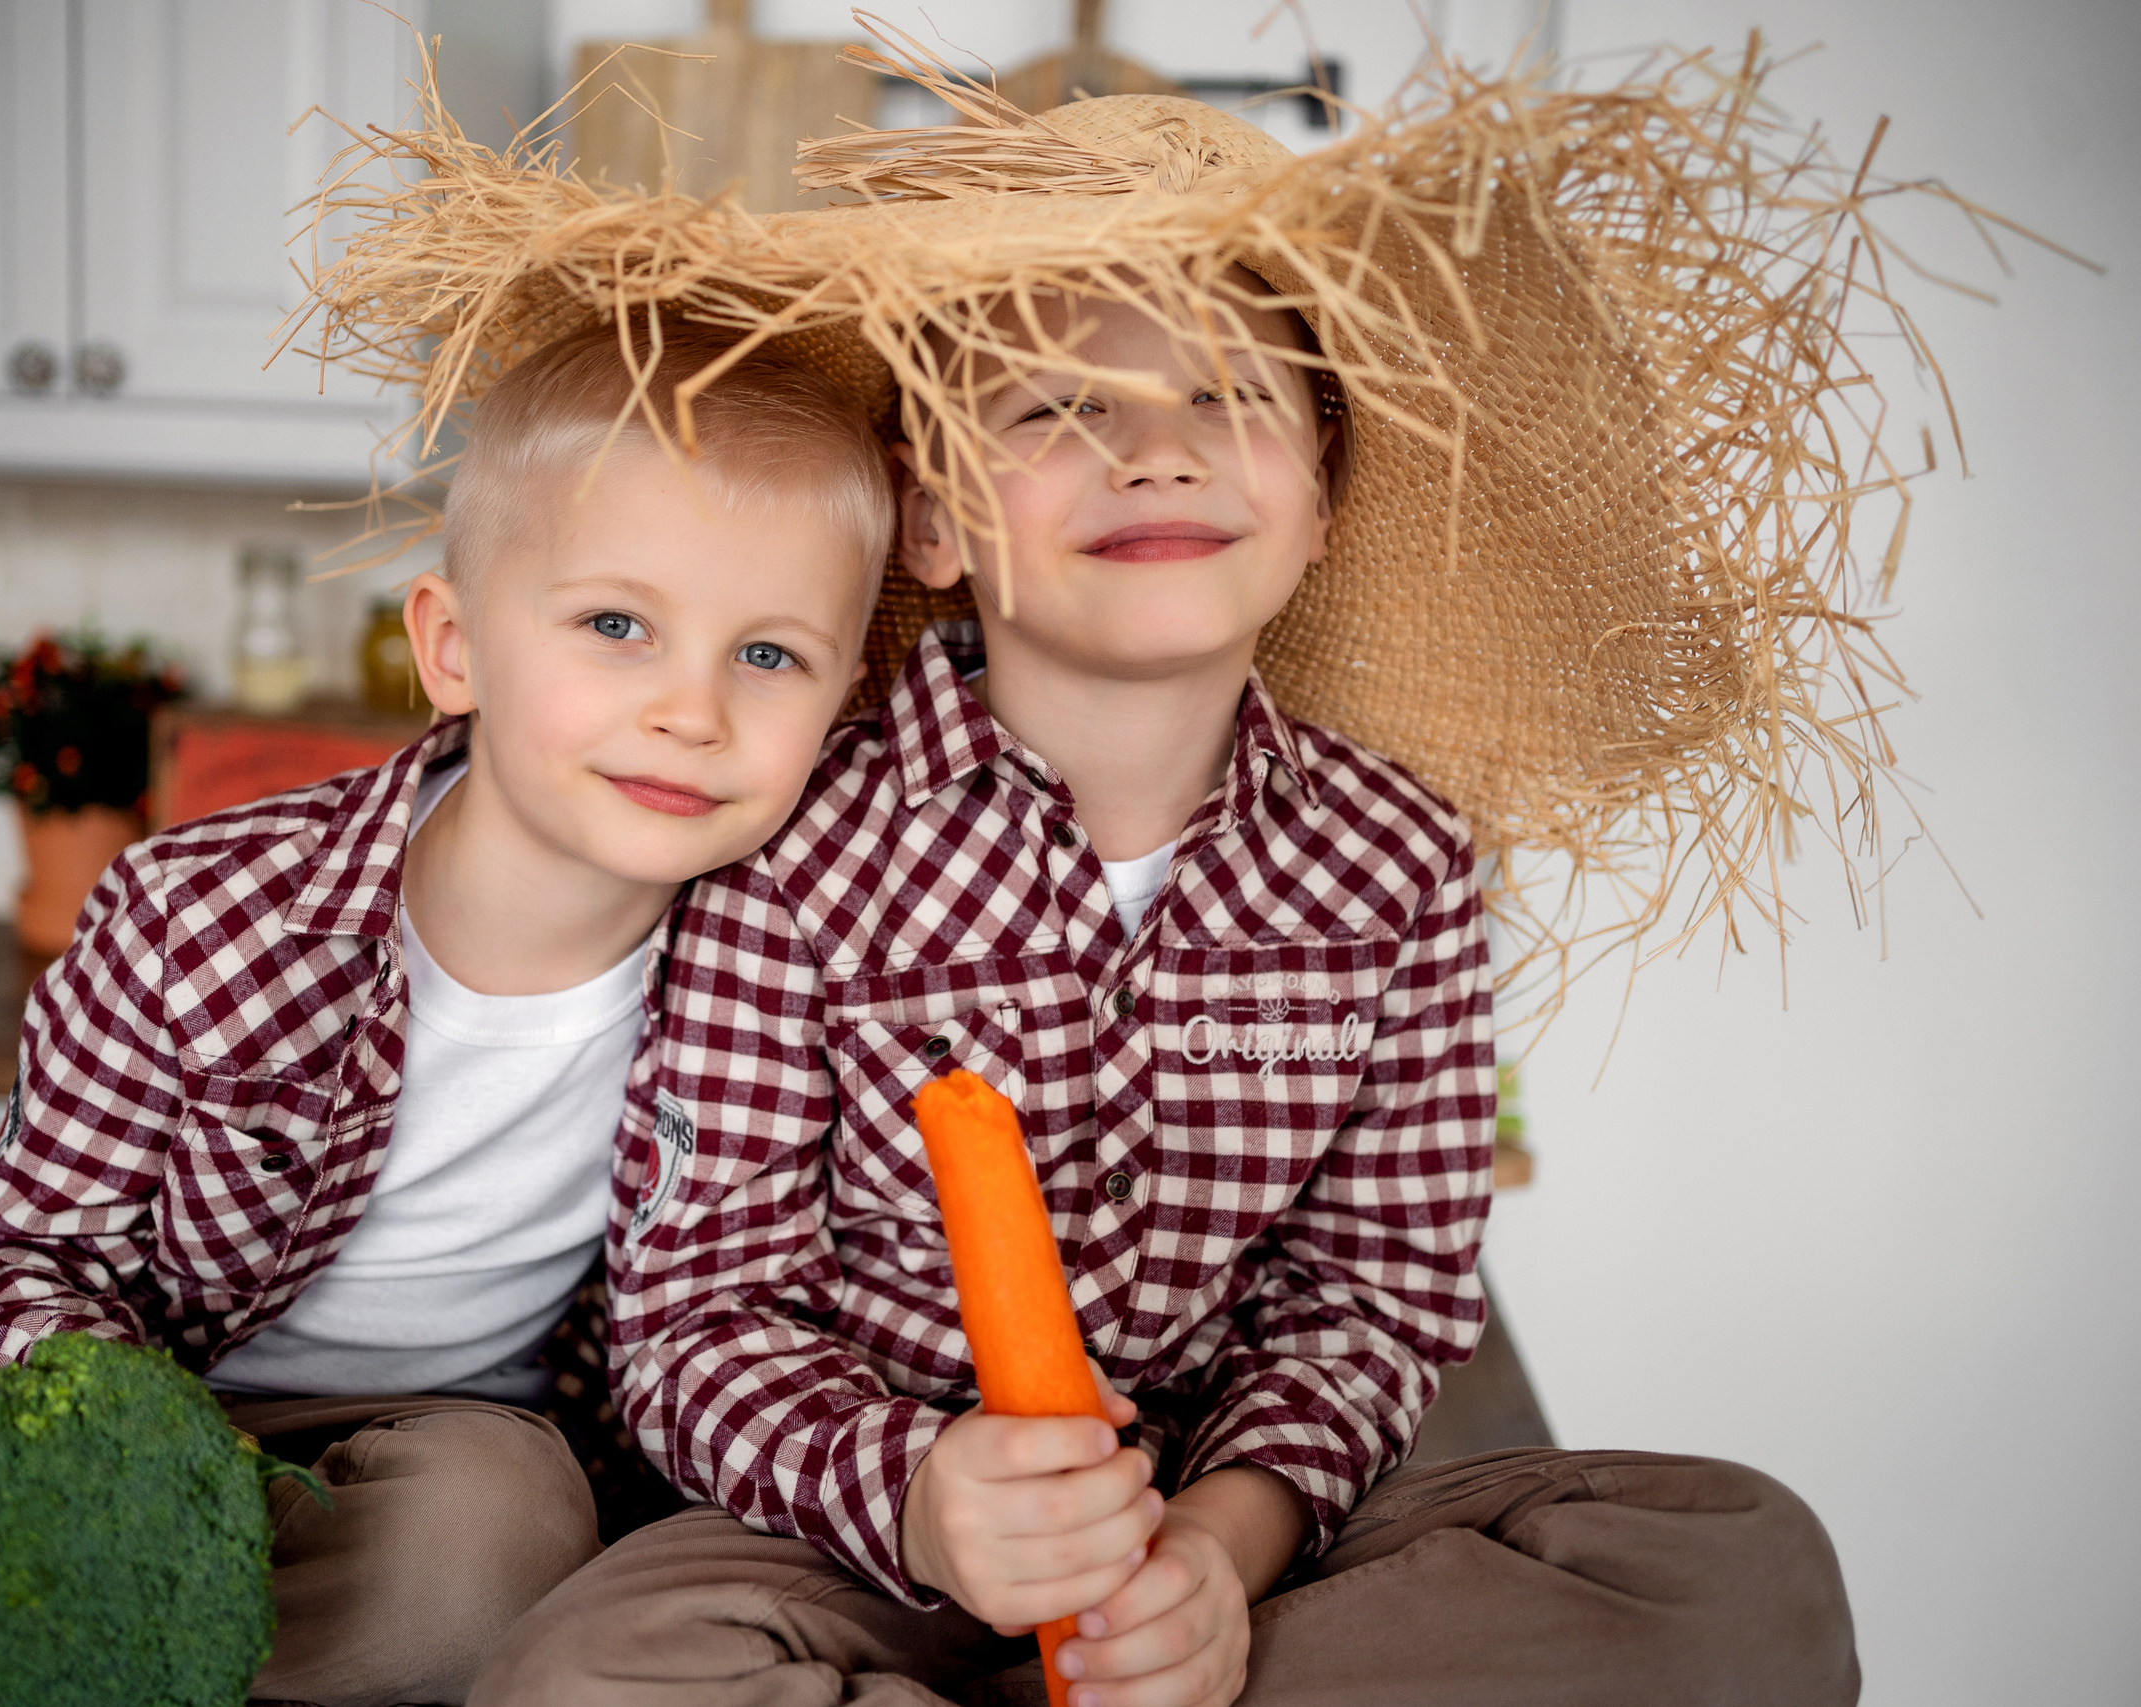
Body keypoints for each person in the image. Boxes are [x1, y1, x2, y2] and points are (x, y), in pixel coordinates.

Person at [301, 38, 1901, 1707]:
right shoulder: (792, 839)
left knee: (1742, 1567)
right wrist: (929, 1500)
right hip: (862, 1551)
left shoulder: (1399, 868)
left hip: (1250, 1547)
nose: (1158, 447)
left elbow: (1377, 1302)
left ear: (1322, 499)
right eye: (1058, 406)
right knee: (585, 1679)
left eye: (1230, 394)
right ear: (933, 521)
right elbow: (697, 1322)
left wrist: (1214, 1556)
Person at [0, 322, 894, 1707]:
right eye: (616, 626)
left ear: (843, 708)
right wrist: (113, 1468)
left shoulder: (778, 948)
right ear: (453, 647)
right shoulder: (202, 908)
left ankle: (44, 1678)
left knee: (494, 1531)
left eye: (769, 656)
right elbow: (14, 1247)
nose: (690, 709)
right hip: (113, 1401)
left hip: (401, 1469)